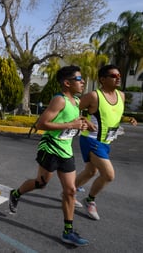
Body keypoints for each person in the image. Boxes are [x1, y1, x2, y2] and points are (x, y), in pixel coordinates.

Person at [8, 66, 91, 247]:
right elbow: (42, 123)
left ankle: (68, 232)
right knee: (41, 183)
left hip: (66, 151)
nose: (83, 81)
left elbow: (73, 121)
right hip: (51, 148)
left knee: (70, 190)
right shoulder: (59, 100)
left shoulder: (76, 101)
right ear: (67, 83)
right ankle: (15, 193)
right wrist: (71, 124)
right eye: (79, 79)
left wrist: (84, 123)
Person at [75, 64, 138, 221]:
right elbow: (70, 108)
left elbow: (111, 114)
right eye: (113, 76)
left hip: (106, 141)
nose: (118, 78)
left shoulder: (121, 96)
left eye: (119, 75)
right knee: (109, 175)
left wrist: (126, 119)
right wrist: (83, 119)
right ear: (102, 79)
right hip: (91, 139)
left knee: (91, 172)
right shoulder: (94, 96)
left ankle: (68, 192)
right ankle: (90, 200)